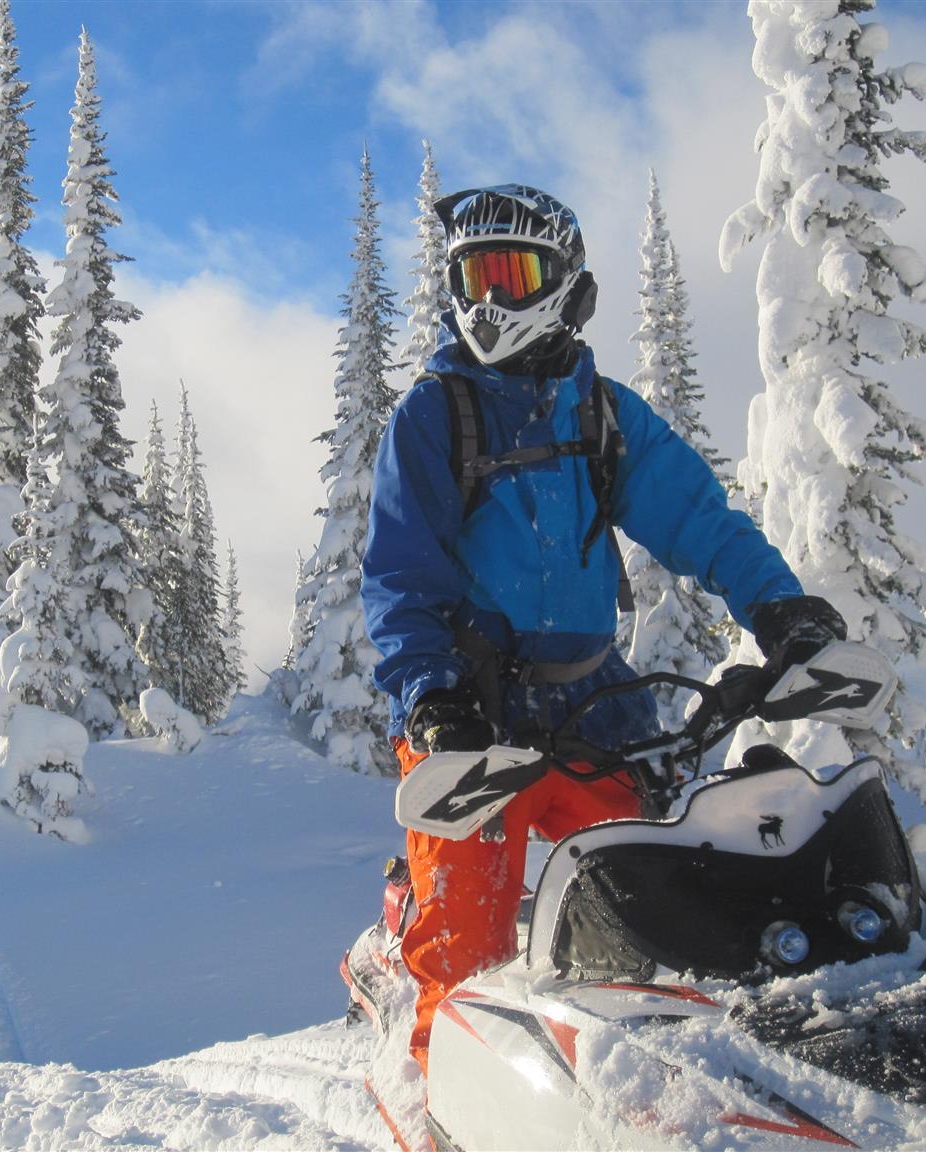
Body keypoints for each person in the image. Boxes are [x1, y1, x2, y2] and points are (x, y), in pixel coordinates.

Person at [360, 184, 846, 1075]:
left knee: (673, 911)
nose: (489, 302)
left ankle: (662, 1094)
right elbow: (400, 578)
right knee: (465, 954)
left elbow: (700, 519)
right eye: (473, 277)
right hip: (474, 718)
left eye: (513, 275)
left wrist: (779, 607)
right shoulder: (433, 415)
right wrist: (434, 699)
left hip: (595, 709)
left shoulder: (604, 414)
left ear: (562, 282)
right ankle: (438, 1098)